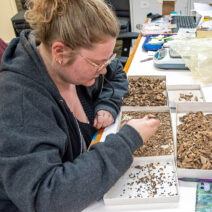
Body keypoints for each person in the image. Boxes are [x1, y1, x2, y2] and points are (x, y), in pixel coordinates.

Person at [0, 0, 160, 211]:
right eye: (97, 63)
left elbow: (115, 73)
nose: (103, 70)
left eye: (107, 59)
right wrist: (127, 140)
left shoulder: (74, 66)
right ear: (60, 52)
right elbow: (46, 195)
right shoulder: (18, 102)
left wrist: (107, 104)